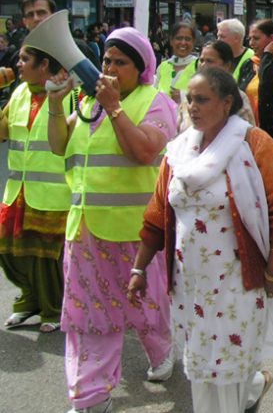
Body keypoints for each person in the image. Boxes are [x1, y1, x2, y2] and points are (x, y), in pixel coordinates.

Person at [128, 66, 273, 413]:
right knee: (203, 366)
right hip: (190, 285)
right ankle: (250, 390)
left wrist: (272, 273)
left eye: (202, 100)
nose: (192, 107)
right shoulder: (177, 152)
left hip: (239, 283)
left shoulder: (254, 144)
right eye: (189, 100)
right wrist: (138, 269)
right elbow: (156, 219)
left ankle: (247, 391)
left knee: (227, 364)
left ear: (227, 103)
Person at [47, 26, 178, 413]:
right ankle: (91, 396)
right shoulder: (90, 105)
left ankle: (162, 351)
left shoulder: (156, 103)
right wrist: (56, 105)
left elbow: (143, 151)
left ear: (140, 69)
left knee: (147, 308)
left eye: (121, 62)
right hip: (85, 231)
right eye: (106, 60)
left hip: (137, 234)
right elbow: (59, 146)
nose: (110, 68)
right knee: (88, 316)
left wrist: (116, 108)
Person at [0, 46, 72, 333]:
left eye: (24, 60)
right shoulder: (18, 93)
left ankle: (53, 308)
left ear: (44, 65)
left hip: (54, 193)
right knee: (10, 251)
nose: (18, 64)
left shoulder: (70, 96)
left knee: (46, 257)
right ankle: (30, 301)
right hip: (17, 191)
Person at [238, 19, 273, 171]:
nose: (251, 43)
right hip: (249, 132)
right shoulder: (248, 64)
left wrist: (267, 55)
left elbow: (267, 83)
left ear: (272, 39)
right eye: (249, 38)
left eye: (256, 38)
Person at [177, 40, 255, 131]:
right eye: (201, 60)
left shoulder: (237, 98)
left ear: (227, 65)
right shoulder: (189, 96)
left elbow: (247, 134)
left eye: (209, 61)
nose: (203, 65)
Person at [155, 21, 199, 103]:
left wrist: (184, 95)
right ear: (171, 41)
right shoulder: (163, 67)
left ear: (193, 42)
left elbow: (208, 96)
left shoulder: (200, 66)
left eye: (188, 39)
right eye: (179, 38)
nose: (183, 43)